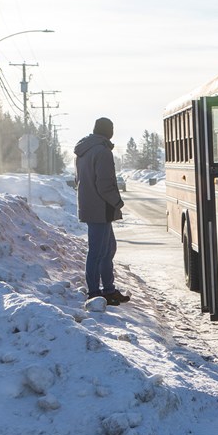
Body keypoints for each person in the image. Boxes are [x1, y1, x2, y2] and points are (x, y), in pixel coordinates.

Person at [74, 117, 130, 305]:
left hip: (91, 205)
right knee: (98, 252)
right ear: (107, 131)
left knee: (107, 249)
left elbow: (78, 180)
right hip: (101, 207)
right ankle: (95, 293)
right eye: (111, 129)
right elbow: (105, 184)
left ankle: (108, 290)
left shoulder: (84, 150)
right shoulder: (102, 152)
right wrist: (117, 202)